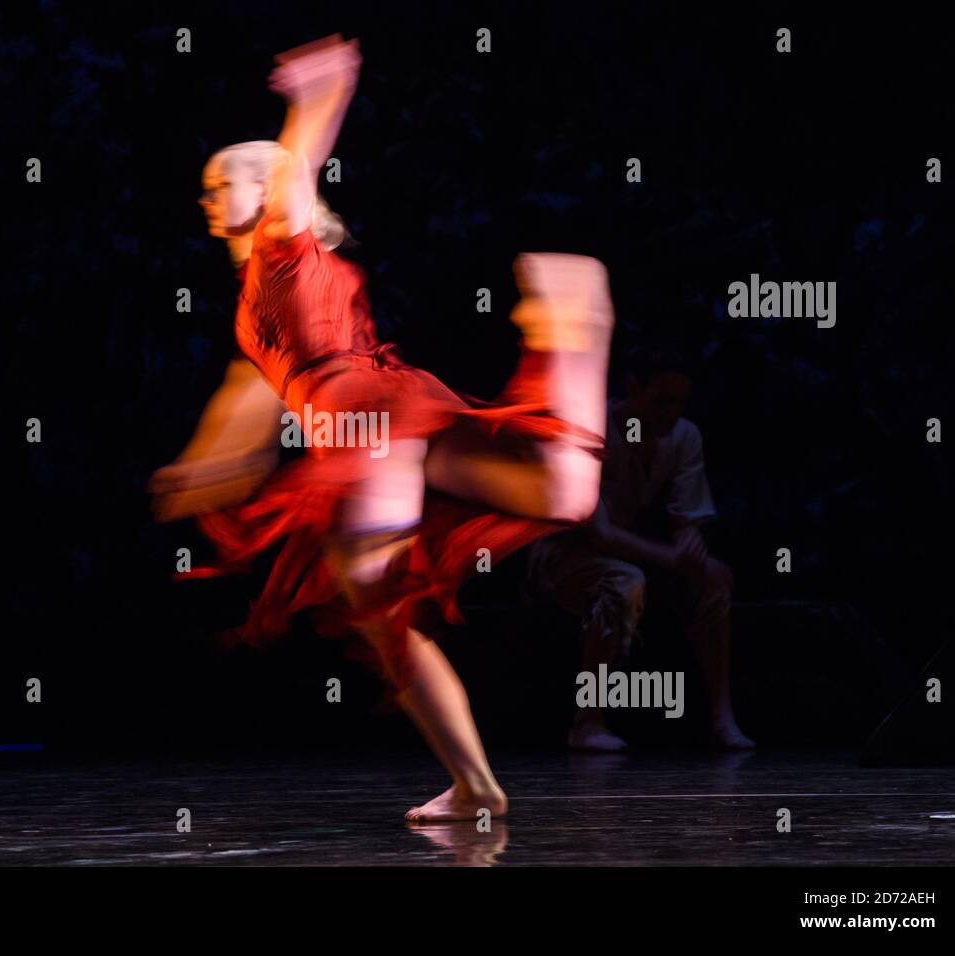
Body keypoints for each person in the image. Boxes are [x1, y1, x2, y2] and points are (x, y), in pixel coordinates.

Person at [151, 35, 616, 821]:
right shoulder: (260, 303)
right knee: (562, 495)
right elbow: (251, 404)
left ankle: (475, 785)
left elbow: (296, 170)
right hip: (395, 406)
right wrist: (200, 468)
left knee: (376, 605)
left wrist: (320, 95)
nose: (203, 199)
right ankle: (575, 332)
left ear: (263, 194)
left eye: (218, 182)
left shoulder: (282, 252)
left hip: (364, 414)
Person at [524, 343, 756, 751]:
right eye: (661, 400)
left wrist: (692, 546)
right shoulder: (586, 430)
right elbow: (598, 534)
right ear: (633, 387)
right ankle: (587, 720)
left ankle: (722, 716)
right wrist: (675, 558)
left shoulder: (683, 435)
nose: (671, 413)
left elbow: (688, 515)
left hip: (628, 552)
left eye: (679, 403)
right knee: (624, 580)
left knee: (714, 582)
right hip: (561, 555)